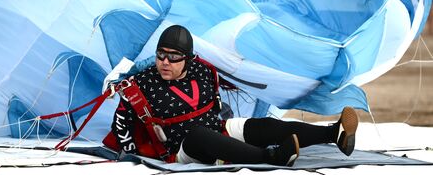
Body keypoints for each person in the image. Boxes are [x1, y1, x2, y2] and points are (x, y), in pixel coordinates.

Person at [107, 25, 359, 166]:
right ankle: (271, 157)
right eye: (161, 54)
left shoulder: (202, 69)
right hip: (181, 148)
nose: (165, 62)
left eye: (174, 57)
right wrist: (133, 155)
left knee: (261, 126)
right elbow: (121, 123)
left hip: (216, 128)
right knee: (199, 134)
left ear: (188, 58)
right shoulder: (142, 84)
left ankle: (333, 134)